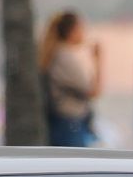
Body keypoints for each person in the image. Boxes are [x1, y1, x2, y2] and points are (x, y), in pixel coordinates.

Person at [39, 10, 101, 147]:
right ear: (71, 31)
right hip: (69, 124)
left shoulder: (57, 54)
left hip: (65, 123)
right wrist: (98, 61)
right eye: (81, 28)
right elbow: (93, 91)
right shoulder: (64, 57)